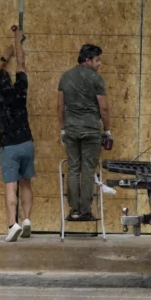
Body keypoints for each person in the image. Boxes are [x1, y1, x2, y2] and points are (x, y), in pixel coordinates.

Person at [0, 27, 34, 242]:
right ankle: (27, 220)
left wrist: (5, 57)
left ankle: (12, 224)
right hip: (26, 143)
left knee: (10, 185)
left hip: (9, 146)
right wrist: (17, 41)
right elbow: (22, 64)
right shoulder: (19, 91)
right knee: (26, 183)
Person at [58, 43, 112, 222]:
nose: (99, 64)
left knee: (73, 169)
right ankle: (85, 210)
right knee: (88, 170)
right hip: (91, 131)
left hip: (71, 130)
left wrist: (63, 129)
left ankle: (74, 210)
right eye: (97, 60)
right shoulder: (96, 79)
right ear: (87, 60)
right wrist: (107, 130)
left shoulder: (65, 77)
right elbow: (103, 108)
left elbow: (60, 106)